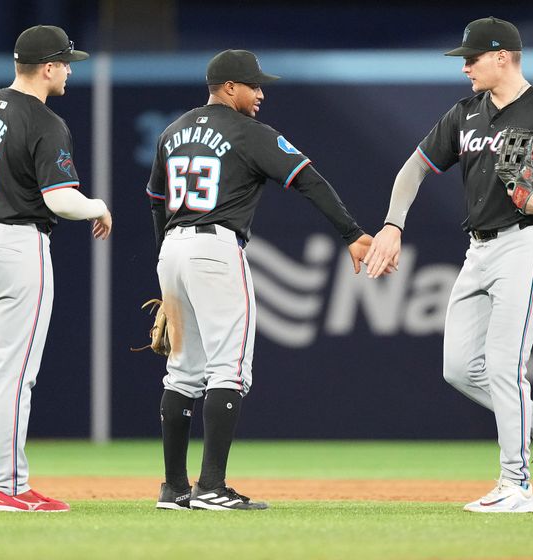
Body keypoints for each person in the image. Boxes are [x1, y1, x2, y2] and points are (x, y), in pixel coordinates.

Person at [364, 17, 533, 513]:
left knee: (504, 365)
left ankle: (514, 486)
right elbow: (414, 168)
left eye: (472, 59)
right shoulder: (464, 113)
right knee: (459, 367)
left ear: (503, 57)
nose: (465, 68)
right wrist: (392, 225)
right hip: (479, 249)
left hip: (528, 242)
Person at [146, 49, 373, 511]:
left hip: (172, 247)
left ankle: (174, 488)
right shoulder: (248, 132)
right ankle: (210, 487)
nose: (261, 93)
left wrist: (166, 264)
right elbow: (309, 180)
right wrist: (351, 233)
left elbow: (155, 199)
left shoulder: (172, 131)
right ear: (229, 87)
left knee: (183, 370)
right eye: (254, 85)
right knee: (229, 367)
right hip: (215, 248)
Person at [0, 25, 112, 512]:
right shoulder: (46, 121)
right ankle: (10, 487)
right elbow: (60, 200)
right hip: (15, 243)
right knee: (17, 370)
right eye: (66, 62)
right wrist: (98, 205)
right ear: (48, 66)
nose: (71, 70)